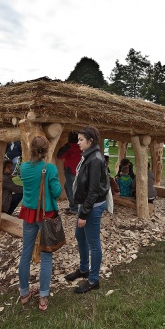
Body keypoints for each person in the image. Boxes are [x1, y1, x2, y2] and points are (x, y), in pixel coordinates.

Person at [18, 135, 62, 311]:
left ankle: (24, 293)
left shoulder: (23, 167)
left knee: (26, 253)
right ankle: (43, 297)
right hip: (46, 214)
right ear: (46, 150)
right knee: (46, 256)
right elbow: (57, 192)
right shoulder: (49, 168)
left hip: (29, 213)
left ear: (31, 149)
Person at [65, 126, 109, 294]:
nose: (78, 143)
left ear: (90, 141)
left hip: (92, 206)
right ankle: (84, 269)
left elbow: (93, 191)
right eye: (78, 139)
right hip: (85, 205)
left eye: (81, 140)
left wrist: (83, 213)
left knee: (93, 242)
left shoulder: (95, 159)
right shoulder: (88, 156)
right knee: (79, 235)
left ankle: (93, 279)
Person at [57, 132, 82, 214]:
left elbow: (59, 156)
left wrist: (64, 147)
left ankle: (74, 209)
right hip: (79, 170)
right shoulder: (81, 145)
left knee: (71, 189)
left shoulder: (69, 146)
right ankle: (73, 205)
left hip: (70, 170)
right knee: (68, 187)